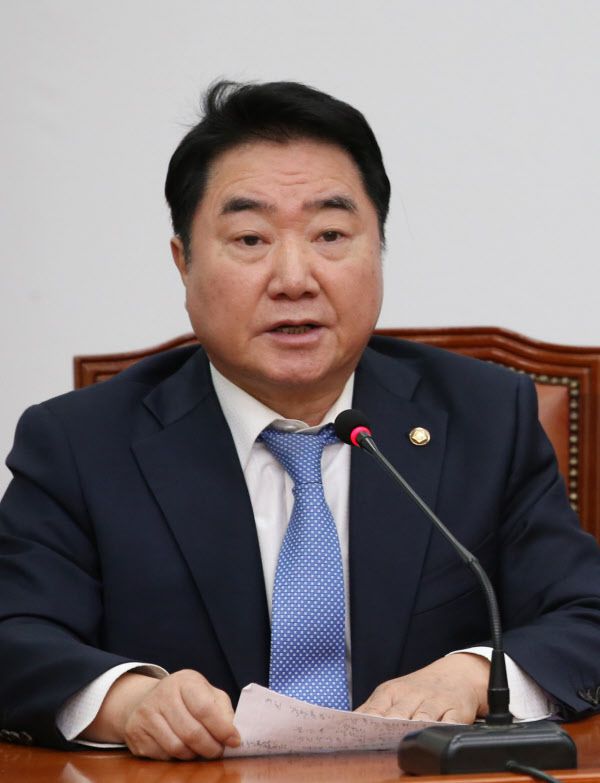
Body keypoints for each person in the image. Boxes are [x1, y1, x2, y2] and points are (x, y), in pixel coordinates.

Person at [1, 81, 599, 761]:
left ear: (378, 248)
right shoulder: (80, 443)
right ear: (183, 262)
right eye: (250, 238)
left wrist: (471, 676)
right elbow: (15, 635)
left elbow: (586, 617)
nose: (294, 277)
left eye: (330, 235)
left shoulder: (486, 419)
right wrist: (128, 700)